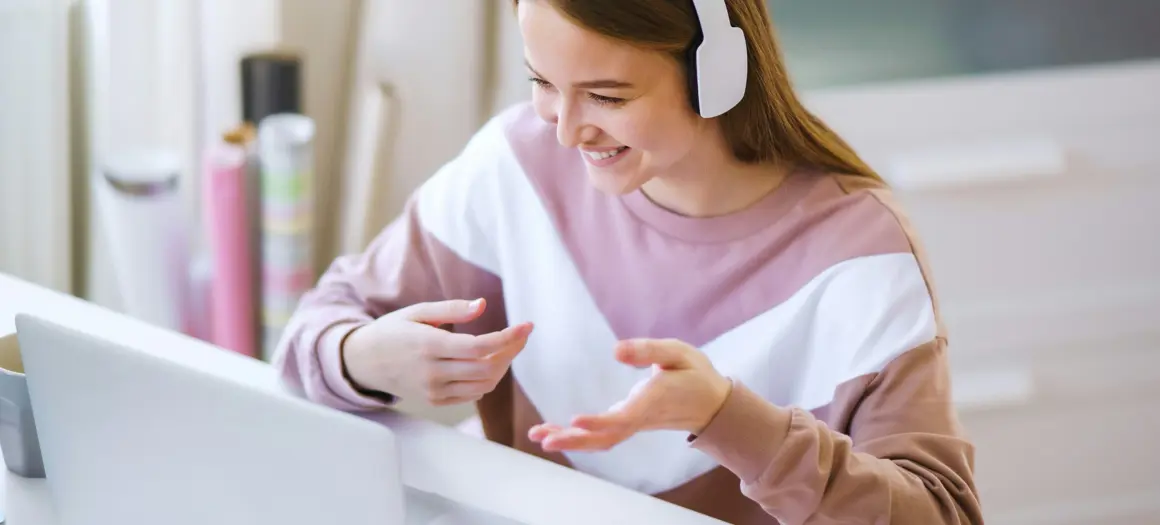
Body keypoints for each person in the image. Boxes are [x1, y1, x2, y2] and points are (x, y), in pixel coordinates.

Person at [272, 0, 983, 523]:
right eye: (542, 82)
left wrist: (731, 418)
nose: (566, 127)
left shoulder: (857, 256)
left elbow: (939, 513)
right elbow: (312, 331)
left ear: (719, 73)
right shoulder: (516, 163)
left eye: (607, 96)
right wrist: (366, 357)